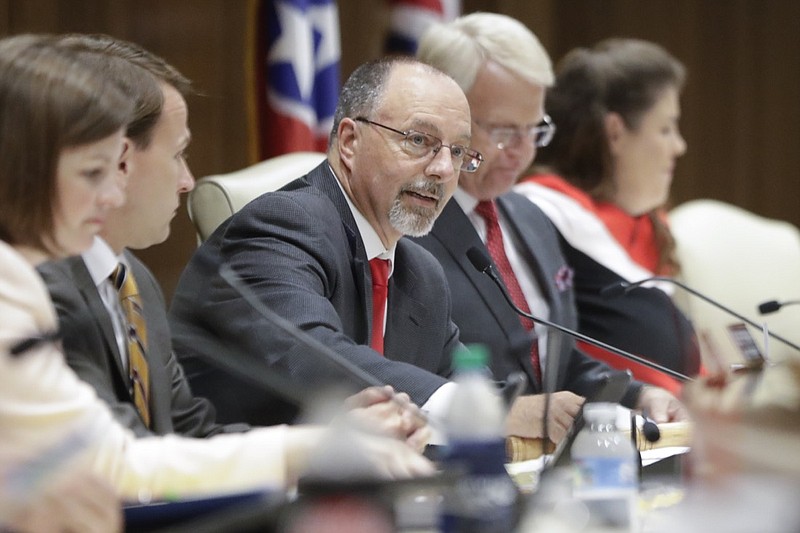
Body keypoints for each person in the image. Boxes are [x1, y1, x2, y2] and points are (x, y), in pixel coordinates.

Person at [0, 33, 432, 508]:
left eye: (114, 168)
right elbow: (109, 464)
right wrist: (306, 451)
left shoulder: (131, 280)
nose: (109, 193)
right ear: (22, 170)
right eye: (93, 171)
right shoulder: (26, 283)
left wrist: (328, 441)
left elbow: (186, 434)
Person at [413, 12, 687, 444]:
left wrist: (637, 395)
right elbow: (409, 372)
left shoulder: (529, 217)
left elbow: (553, 360)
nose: (521, 152)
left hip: (557, 468)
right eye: (504, 131)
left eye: (534, 129)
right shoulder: (408, 228)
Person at [168, 56, 476, 431]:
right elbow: (313, 352)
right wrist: (467, 407)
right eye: (418, 140)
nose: (443, 169)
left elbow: (462, 378)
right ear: (349, 141)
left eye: (457, 151)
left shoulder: (420, 272)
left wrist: (519, 411)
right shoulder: (280, 227)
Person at [515, 38, 701, 392]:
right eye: (665, 129)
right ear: (615, 132)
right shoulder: (541, 214)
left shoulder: (646, 226)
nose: (680, 146)